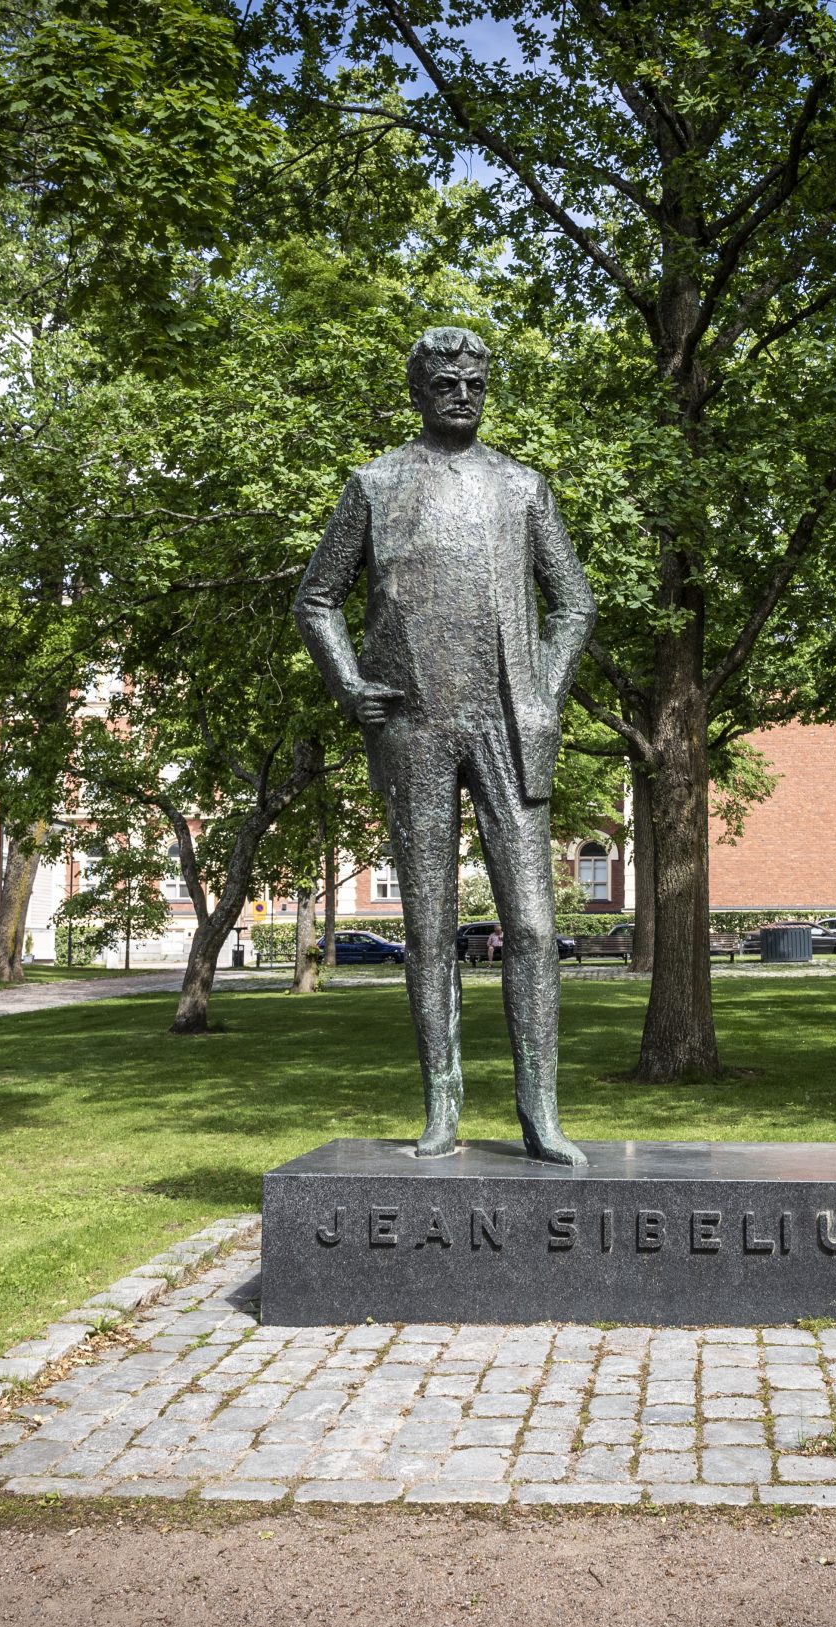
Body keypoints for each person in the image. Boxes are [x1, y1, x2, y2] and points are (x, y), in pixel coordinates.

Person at [293, 327, 595, 1166]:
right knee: (428, 931)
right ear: (419, 391)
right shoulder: (375, 484)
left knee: (531, 926)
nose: (462, 395)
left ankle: (541, 1113)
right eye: (446, 383)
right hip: (413, 727)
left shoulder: (522, 486)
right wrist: (350, 683)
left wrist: (543, 691)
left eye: (475, 383)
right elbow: (316, 598)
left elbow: (574, 602)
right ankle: (442, 1110)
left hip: (507, 726)